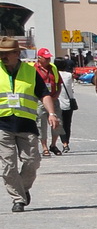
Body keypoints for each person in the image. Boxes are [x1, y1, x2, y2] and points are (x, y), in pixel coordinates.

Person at [1, 36, 58, 211]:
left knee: (32, 161)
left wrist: (51, 113)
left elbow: (44, 94)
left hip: (26, 124)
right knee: (8, 166)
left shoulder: (30, 72)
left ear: (17, 53)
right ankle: (18, 199)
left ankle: (22, 189)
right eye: (1, 53)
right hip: (2, 125)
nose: (3, 56)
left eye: (7, 53)